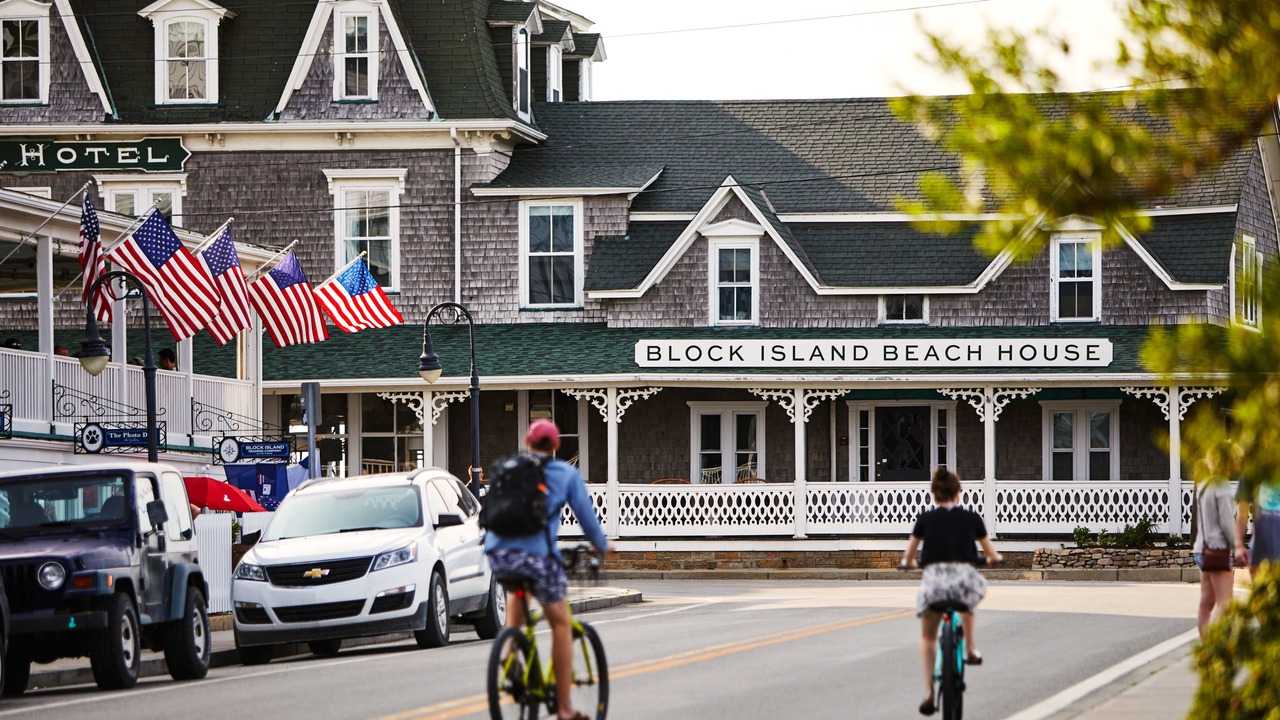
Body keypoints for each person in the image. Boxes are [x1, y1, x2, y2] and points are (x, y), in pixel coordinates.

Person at [483, 419, 610, 720]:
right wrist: (603, 545)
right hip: (537, 556)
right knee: (562, 625)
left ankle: (510, 650)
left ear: (528, 443)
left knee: (518, 590)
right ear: (555, 446)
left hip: (497, 553)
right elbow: (588, 521)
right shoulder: (564, 473)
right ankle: (564, 708)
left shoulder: (509, 467)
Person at [900, 466, 1002, 716]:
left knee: (927, 638)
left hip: (934, 586)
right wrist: (994, 559)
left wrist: (909, 564)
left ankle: (928, 693)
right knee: (967, 604)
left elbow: (909, 556)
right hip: (963, 583)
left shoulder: (925, 519)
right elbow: (990, 553)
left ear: (935, 494)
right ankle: (969, 648)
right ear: (958, 493)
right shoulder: (971, 518)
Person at [1195, 443, 1238, 637]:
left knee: (1206, 603)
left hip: (1201, 549)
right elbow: (1228, 524)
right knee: (1224, 602)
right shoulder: (1223, 487)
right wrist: (1237, 545)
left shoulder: (1203, 486)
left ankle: (1205, 648)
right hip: (1218, 549)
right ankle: (1213, 650)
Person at [1234, 464, 1280, 578]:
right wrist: (1238, 544)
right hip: (1260, 548)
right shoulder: (1251, 471)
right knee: (1260, 591)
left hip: (1260, 547)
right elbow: (1242, 513)